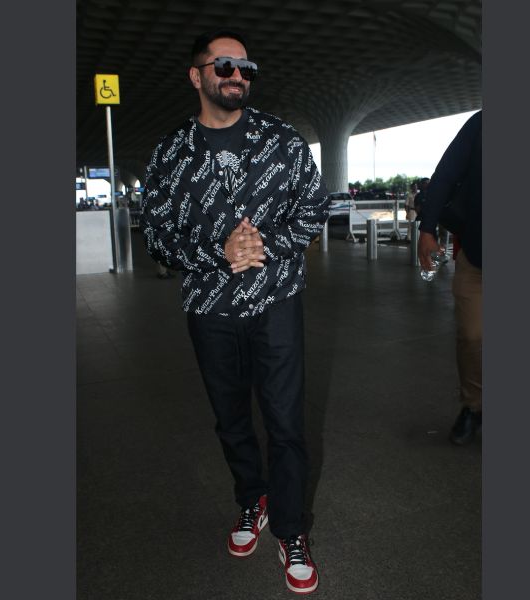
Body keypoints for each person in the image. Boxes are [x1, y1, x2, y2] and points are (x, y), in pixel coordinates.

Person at [140, 29, 330, 594]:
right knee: (230, 418)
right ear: (196, 75)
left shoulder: (282, 140)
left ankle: (291, 529)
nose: (237, 76)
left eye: (246, 68)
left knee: (286, 422)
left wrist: (263, 245)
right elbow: (156, 234)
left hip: (276, 301)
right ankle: (253, 500)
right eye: (224, 66)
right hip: (209, 306)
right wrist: (217, 253)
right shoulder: (171, 153)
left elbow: (314, 207)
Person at [417, 110, 482, 445]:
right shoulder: (480, 124)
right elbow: (444, 176)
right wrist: (427, 230)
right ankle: (474, 406)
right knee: (471, 336)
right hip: (477, 256)